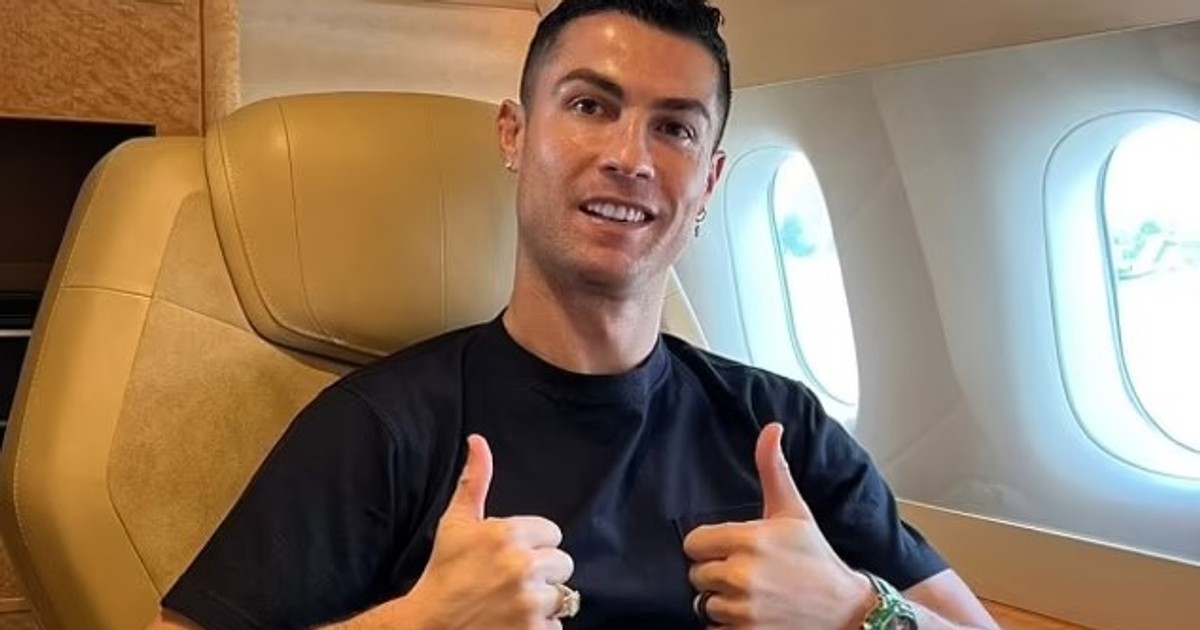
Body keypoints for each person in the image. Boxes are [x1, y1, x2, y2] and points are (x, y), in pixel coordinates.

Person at [148, 1, 1001, 628]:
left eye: (675, 129)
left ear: (709, 182)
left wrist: (858, 609)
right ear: (515, 137)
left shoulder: (781, 428)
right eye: (592, 106)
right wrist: (418, 625)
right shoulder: (383, 429)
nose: (631, 158)